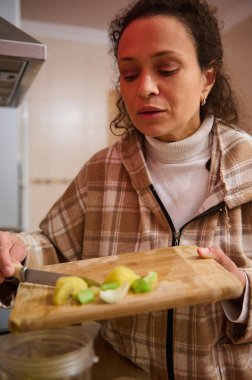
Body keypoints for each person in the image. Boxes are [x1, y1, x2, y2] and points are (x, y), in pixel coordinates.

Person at [0, 0, 252, 378]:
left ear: (207, 78)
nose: (145, 87)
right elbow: (53, 247)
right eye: (130, 74)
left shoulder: (248, 164)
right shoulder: (103, 169)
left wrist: (242, 290)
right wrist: (18, 251)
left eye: (166, 69)